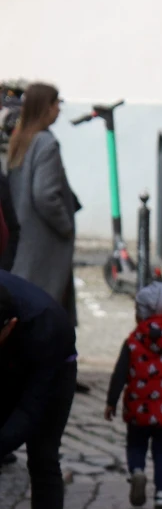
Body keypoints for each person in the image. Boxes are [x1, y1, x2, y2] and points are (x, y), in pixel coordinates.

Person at [0, 270, 78, 509]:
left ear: (9, 325)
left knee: (44, 460)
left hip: (53, 371)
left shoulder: (47, 326)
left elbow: (30, 413)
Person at [103, 284, 162, 509]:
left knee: (136, 444)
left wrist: (111, 401)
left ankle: (137, 471)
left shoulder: (134, 340)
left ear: (140, 313)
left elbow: (120, 373)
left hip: (138, 407)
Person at [7, 83, 80, 327]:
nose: (59, 109)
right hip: (43, 243)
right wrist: (66, 226)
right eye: (56, 103)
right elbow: (45, 194)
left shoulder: (21, 140)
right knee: (45, 315)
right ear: (46, 108)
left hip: (24, 239)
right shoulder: (46, 143)